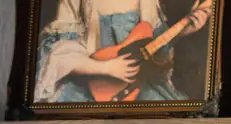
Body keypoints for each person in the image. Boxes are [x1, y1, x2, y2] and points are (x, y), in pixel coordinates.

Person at [34, 0, 214, 103]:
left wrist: (182, 31)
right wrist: (106, 68)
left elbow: (153, 50)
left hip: (138, 88)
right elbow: (58, 53)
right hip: (90, 90)